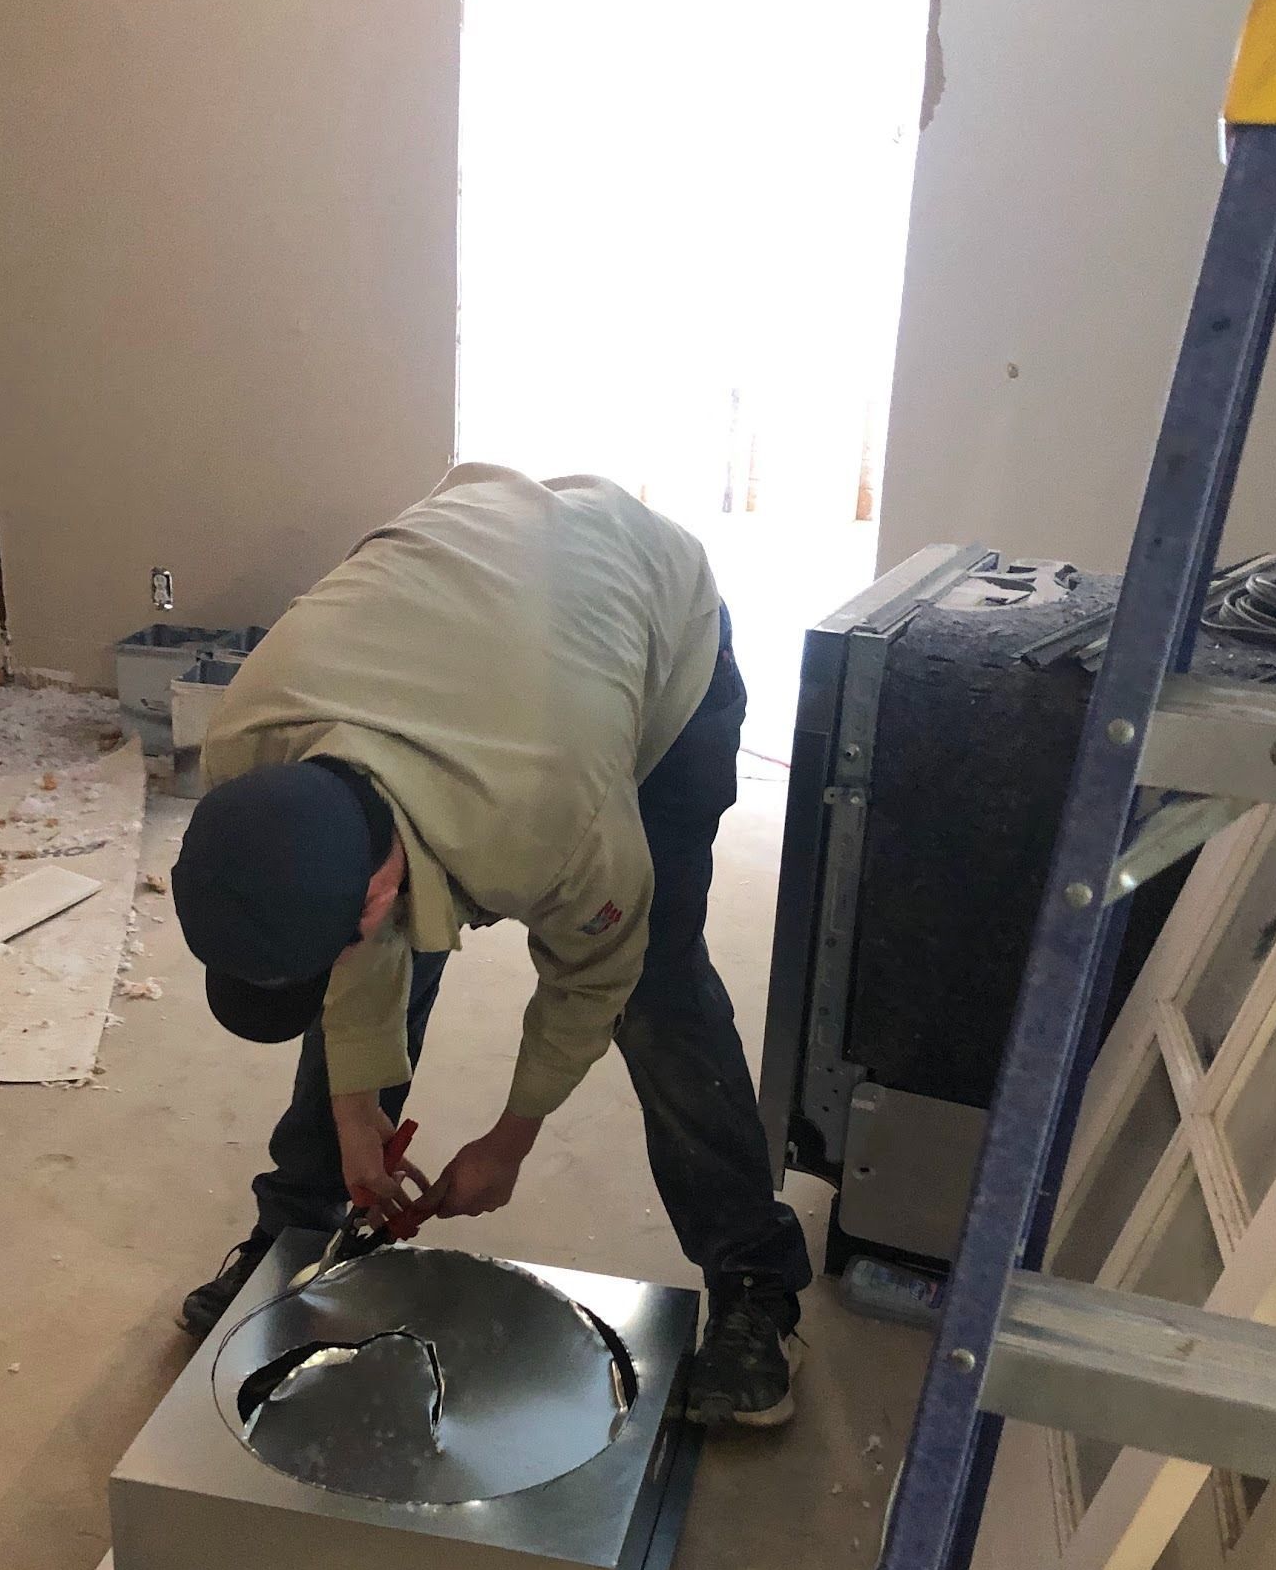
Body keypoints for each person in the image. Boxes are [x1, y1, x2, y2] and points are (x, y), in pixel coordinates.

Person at [170, 463, 811, 1427]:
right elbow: (347, 942)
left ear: (377, 894)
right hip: (478, 593)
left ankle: (757, 1283)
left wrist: (512, 1139)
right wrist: (354, 1112)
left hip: (653, 620)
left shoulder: (555, 822)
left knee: (658, 987)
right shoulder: (246, 750)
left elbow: (593, 977)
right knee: (338, 925)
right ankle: (300, 1225)